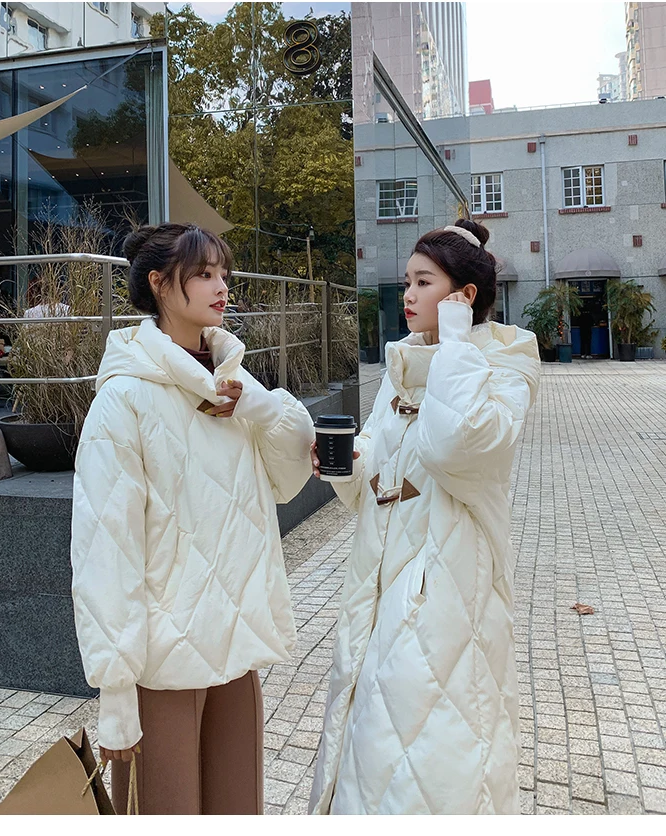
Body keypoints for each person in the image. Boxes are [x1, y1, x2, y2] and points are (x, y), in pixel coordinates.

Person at [70, 223, 315, 815]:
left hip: (235, 643)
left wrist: (262, 406)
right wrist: (116, 689)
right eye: (204, 274)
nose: (221, 286)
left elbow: (288, 478)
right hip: (163, 661)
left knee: (238, 808)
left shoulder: (232, 380)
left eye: (223, 273)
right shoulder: (124, 398)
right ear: (159, 283)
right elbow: (106, 549)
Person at [308, 219, 541, 815]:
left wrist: (458, 346)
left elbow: (455, 448)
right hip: (380, 584)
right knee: (375, 749)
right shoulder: (405, 366)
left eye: (423, 282)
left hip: (448, 591)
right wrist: (345, 463)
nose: (407, 294)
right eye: (407, 281)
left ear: (464, 295)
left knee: (436, 754)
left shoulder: (505, 365)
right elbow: (376, 477)